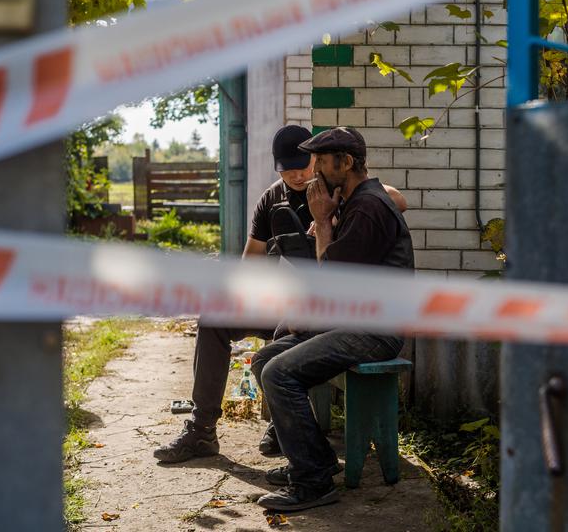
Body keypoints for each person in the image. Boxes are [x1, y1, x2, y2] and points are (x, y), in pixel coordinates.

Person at [154, 125, 407, 463]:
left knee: (280, 347)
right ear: (278, 169)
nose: (300, 176)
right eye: (289, 172)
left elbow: (395, 200)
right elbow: (251, 264)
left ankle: (283, 423)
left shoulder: (337, 192)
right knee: (214, 319)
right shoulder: (273, 199)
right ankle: (201, 431)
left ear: (315, 163)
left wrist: (327, 219)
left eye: (305, 168)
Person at [251, 127, 415, 512]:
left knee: (279, 373)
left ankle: (313, 483)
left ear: (345, 162)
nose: (315, 171)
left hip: (375, 330)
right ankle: (316, 459)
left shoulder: (369, 207)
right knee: (263, 361)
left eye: (322, 162)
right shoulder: (354, 201)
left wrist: (324, 222)